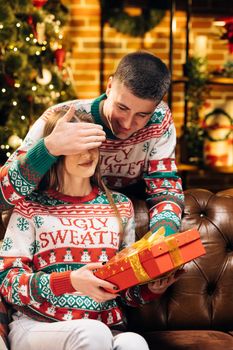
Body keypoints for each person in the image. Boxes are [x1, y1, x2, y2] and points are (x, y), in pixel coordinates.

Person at [0, 109, 181, 350]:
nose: (87, 154)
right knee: (91, 332)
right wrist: (70, 281)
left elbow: (124, 291)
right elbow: (8, 283)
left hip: (103, 327)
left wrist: (150, 288)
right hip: (36, 325)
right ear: (58, 150)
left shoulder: (120, 207)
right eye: (78, 146)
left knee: (134, 343)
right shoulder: (30, 206)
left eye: (93, 145)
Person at [0, 50, 184, 236]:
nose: (127, 124)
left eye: (142, 115)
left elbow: (165, 186)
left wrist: (163, 239)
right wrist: (49, 148)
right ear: (110, 86)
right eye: (122, 107)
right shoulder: (64, 118)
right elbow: (1, 197)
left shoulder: (160, 119)